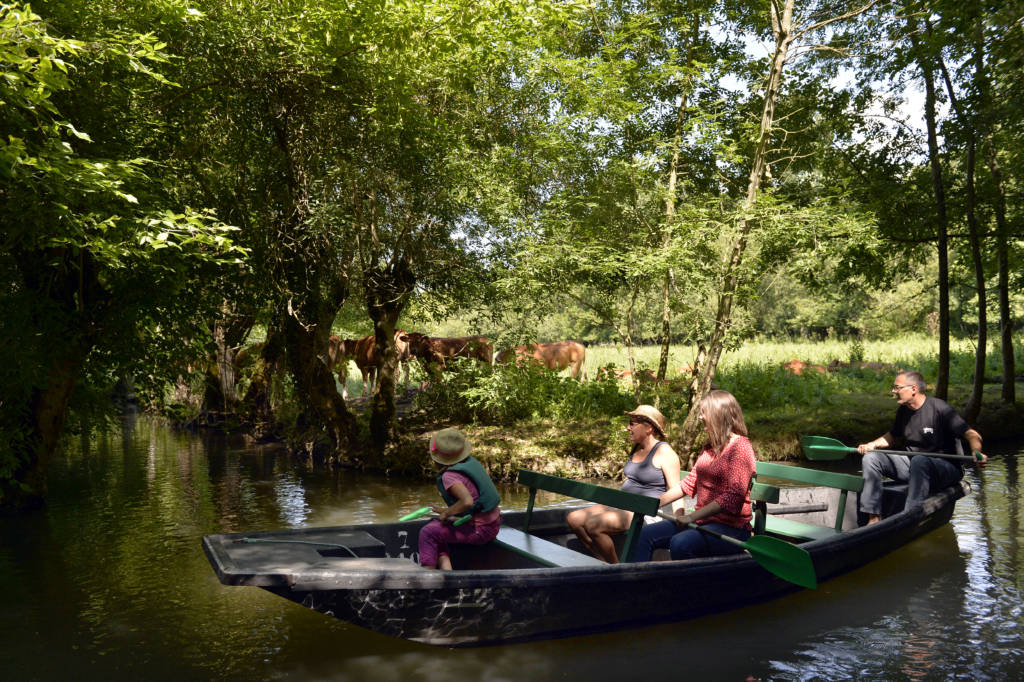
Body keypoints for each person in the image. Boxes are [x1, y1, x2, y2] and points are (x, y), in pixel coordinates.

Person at [630, 390, 755, 562]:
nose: (701, 417)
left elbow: (733, 497)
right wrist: (652, 504)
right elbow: (688, 484)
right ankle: (638, 581)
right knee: (643, 535)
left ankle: (691, 587)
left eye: (704, 412)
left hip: (731, 529)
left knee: (681, 543)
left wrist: (691, 517)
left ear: (719, 414)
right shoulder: (709, 448)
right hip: (702, 522)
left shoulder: (740, 447)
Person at [857, 370, 987, 525]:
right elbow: (892, 436)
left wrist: (976, 452)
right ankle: (874, 517)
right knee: (871, 458)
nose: (893, 391)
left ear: (913, 389)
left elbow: (972, 435)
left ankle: (909, 516)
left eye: (897, 387)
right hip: (915, 466)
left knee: (920, 461)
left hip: (947, 469)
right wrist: (871, 445)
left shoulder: (939, 408)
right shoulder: (904, 411)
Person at [567, 405, 681, 563]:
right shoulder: (637, 448)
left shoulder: (665, 453)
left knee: (594, 525)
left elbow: (678, 490)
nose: (628, 428)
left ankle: (618, 570)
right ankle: (602, 561)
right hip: (623, 505)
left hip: (644, 513)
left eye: (632, 423)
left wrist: (679, 522)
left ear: (648, 428)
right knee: (574, 519)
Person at [417, 428, 502, 570]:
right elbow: (473, 501)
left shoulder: (449, 476)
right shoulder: (469, 462)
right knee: (436, 525)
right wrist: (446, 511)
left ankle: (427, 575)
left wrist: (447, 513)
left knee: (427, 533)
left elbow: (467, 501)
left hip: (481, 530)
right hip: (493, 524)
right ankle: (446, 571)